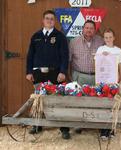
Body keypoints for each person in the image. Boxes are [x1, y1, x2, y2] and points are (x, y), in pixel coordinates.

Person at [26, 10, 70, 139]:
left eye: (52, 19)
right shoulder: (36, 36)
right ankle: (37, 125)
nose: (49, 20)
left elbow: (65, 56)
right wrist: (29, 72)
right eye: (47, 18)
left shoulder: (60, 36)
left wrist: (62, 72)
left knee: (59, 100)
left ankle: (64, 128)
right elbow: (30, 56)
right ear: (43, 20)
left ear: (54, 21)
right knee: (38, 100)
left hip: (55, 74)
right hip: (38, 73)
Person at [69, 20, 104, 133]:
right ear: (82, 29)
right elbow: (69, 60)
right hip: (79, 76)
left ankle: (96, 124)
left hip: (96, 77)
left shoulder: (101, 41)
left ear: (95, 30)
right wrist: (71, 77)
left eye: (91, 28)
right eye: (87, 28)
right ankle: (79, 125)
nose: (89, 30)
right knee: (78, 102)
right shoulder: (74, 42)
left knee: (97, 102)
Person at [96, 28, 121, 140]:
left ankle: (112, 129)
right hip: (103, 82)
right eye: (106, 37)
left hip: (114, 82)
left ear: (114, 38)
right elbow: (97, 64)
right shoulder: (100, 49)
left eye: (110, 37)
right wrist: (103, 55)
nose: (108, 39)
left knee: (113, 106)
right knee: (103, 106)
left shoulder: (118, 50)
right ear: (104, 38)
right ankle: (103, 130)